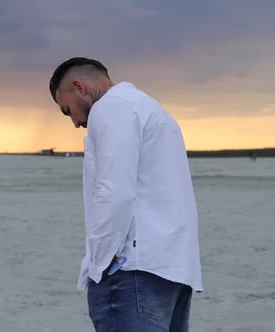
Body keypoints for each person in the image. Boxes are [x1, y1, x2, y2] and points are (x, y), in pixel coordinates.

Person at [49, 57, 202, 331]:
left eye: (66, 109)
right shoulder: (154, 110)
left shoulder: (111, 107)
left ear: (79, 87)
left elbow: (114, 192)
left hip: (133, 270)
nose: (74, 122)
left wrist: (100, 265)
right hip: (174, 269)